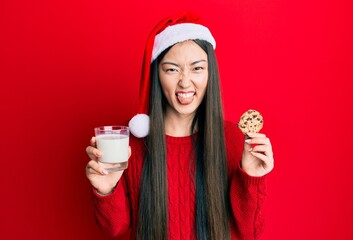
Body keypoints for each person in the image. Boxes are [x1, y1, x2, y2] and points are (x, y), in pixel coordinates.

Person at [85, 12, 274, 240]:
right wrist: (106, 189)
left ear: (210, 73)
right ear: (157, 75)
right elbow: (114, 229)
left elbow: (250, 231)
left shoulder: (233, 139)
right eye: (172, 69)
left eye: (197, 68)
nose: (185, 81)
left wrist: (251, 178)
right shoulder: (128, 143)